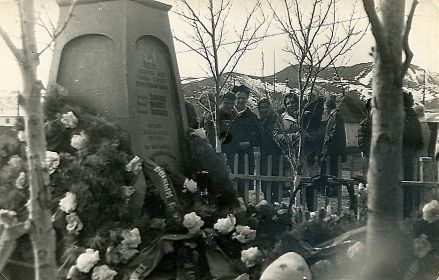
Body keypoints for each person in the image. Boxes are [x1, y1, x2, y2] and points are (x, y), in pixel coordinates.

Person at [228, 85, 261, 195]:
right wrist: (234, 144)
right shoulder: (227, 115)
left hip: (246, 156)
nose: (241, 100)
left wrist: (249, 143)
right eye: (238, 98)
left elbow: (258, 136)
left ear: (247, 99)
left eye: (243, 98)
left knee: (243, 186)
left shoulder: (252, 117)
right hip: (229, 154)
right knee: (229, 184)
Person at [257, 98, 282, 202]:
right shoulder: (258, 122)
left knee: (276, 183)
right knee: (265, 184)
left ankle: (276, 205)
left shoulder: (275, 120)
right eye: (261, 108)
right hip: (263, 156)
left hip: (275, 155)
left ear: (270, 108)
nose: (264, 110)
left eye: (266, 107)